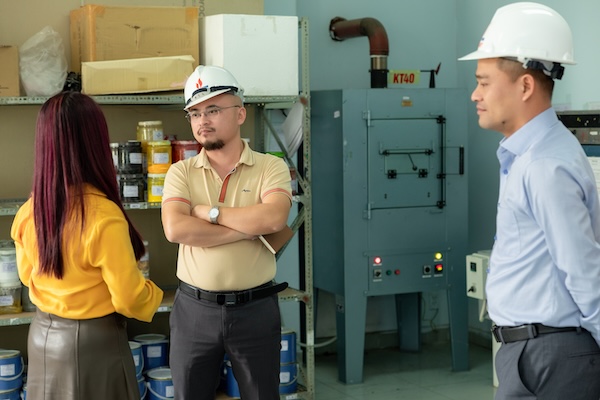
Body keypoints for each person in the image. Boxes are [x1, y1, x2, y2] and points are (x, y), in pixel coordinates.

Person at [459, 2, 600, 399]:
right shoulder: (528, 156)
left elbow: (584, 271)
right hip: (535, 352)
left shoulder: (544, 165)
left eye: (484, 82)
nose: (475, 94)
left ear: (524, 86)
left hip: (552, 357)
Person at [11, 91, 164, 400]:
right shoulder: (103, 216)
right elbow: (129, 298)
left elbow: (27, 277)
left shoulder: (29, 211)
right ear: (95, 143)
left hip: (42, 338)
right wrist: (157, 295)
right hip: (92, 345)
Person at [160, 65, 292, 400]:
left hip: (255, 310)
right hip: (194, 311)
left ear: (240, 114)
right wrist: (246, 229)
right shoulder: (180, 172)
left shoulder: (270, 166)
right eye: (195, 113)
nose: (202, 121)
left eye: (213, 110)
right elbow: (176, 229)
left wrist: (209, 213)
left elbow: (274, 218)